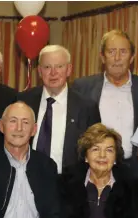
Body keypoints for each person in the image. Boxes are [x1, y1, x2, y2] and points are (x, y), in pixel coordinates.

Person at [71, 30, 138, 180]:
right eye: (111, 51)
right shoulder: (82, 87)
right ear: (102, 57)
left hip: (136, 173)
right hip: (94, 170)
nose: (117, 58)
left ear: (132, 57)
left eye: (123, 52)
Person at [18, 45, 100, 173]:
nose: (53, 73)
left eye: (59, 66)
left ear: (69, 70)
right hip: (28, 177)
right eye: (47, 67)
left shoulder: (87, 107)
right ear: (39, 71)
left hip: (68, 183)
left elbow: (95, 149)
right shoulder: (23, 101)